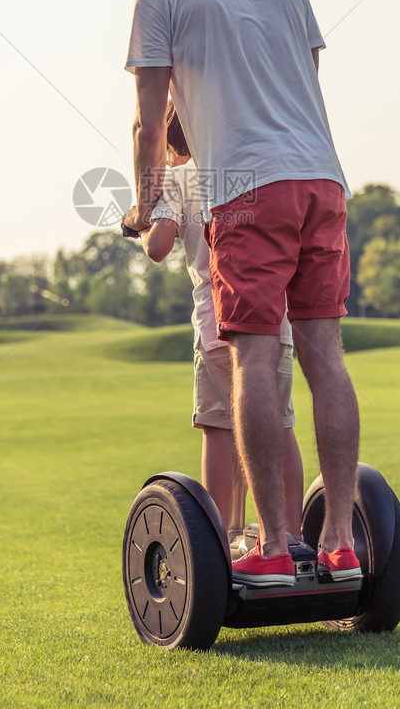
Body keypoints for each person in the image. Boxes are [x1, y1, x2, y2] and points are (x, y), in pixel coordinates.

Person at [123, 0, 362, 588]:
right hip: (322, 181)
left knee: (250, 356)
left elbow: (150, 124)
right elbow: (298, 87)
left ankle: (275, 547)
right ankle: (341, 542)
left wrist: (144, 204)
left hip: (248, 190)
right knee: (323, 352)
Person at [135, 101, 304, 538]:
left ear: (172, 143)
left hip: (218, 325)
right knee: (280, 426)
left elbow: (157, 247)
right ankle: (289, 537)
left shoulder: (179, 176)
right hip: (275, 322)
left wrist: (139, 225)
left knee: (218, 430)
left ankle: (222, 539)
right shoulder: (249, 168)